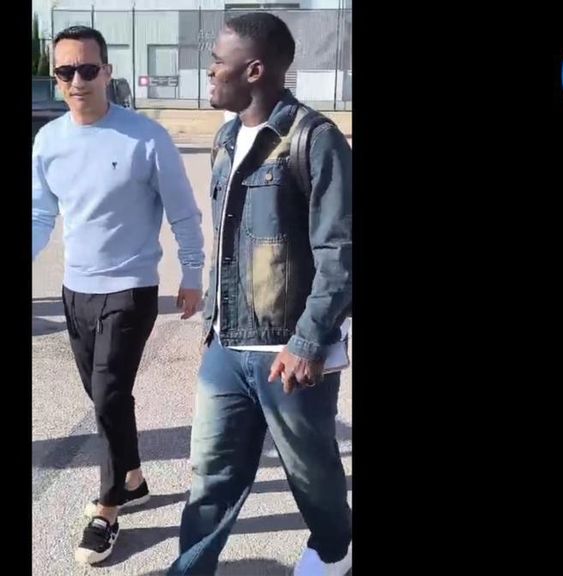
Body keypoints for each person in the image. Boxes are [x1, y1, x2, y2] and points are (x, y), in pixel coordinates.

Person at [168, 12, 353, 576]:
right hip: (228, 346)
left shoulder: (314, 140)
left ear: (253, 70)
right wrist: (213, 323)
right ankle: (190, 568)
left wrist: (309, 342)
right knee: (211, 475)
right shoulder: (226, 139)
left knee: (310, 469)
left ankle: (335, 549)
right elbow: (229, 244)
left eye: (217, 62)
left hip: (288, 350)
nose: (209, 72)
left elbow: (340, 253)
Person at [31, 25, 205, 565]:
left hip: (131, 289)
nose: (77, 81)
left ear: (107, 72)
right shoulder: (48, 141)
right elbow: (40, 213)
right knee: (105, 395)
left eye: (88, 69)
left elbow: (183, 212)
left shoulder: (145, 137)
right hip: (75, 290)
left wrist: (192, 274)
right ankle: (132, 478)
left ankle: (107, 509)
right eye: (66, 71)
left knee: (108, 394)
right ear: (55, 77)